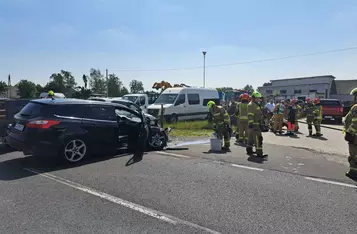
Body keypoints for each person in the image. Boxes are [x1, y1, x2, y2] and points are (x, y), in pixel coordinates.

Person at [246, 91, 265, 157]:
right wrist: (251, 123)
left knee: (250, 139)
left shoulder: (255, 104)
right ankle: (259, 153)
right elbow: (250, 115)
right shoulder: (252, 105)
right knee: (258, 139)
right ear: (253, 98)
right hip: (255, 125)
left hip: (254, 125)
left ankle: (249, 150)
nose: (258, 99)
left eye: (259, 98)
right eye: (257, 98)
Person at [344, 104, 357, 179]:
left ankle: (353, 172)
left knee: (353, 155)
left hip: (354, 136)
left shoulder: (356, 107)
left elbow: (355, 122)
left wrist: (349, 133)